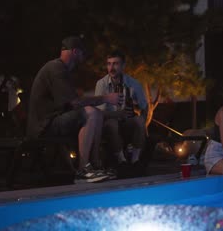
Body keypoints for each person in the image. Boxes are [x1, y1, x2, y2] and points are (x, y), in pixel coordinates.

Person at [27, 36, 121, 183]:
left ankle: (95, 164)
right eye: (83, 54)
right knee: (89, 112)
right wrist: (106, 98)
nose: (83, 58)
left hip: (55, 119)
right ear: (76, 52)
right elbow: (75, 103)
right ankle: (82, 170)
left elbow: (70, 104)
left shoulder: (63, 71)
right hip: (43, 125)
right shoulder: (55, 68)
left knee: (97, 113)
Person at [94, 50, 147, 171]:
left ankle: (135, 160)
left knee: (139, 121)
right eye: (109, 64)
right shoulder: (101, 84)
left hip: (127, 121)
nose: (111, 67)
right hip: (109, 122)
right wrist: (116, 114)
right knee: (112, 124)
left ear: (123, 66)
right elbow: (98, 113)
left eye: (115, 64)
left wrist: (142, 122)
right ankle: (121, 161)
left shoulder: (133, 83)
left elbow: (144, 106)